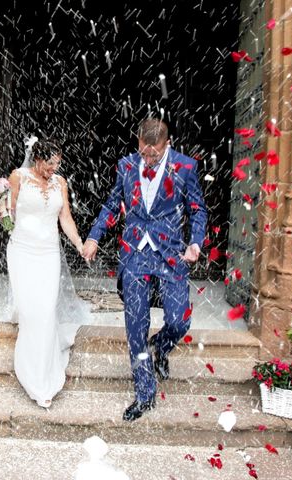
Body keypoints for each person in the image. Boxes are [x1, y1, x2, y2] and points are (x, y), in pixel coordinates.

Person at [82, 119, 207, 421]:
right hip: (135, 254)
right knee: (135, 326)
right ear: (138, 142)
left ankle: (161, 347)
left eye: (155, 155)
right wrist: (94, 236)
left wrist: (196, 243)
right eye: (145, 153)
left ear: (168, 144)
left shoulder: (186, 167)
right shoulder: (126, 165)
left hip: (171, 252)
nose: (148, 159)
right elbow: (113, 204)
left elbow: (198, 209)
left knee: (179, 321)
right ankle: (144, 394)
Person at [4, 138, 86, 409]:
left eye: (57, 164)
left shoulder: (59, 183)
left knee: (46, 309)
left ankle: (45, 377)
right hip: (22, 252)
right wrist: (1, 212)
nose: (54, 169)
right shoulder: (18, 177)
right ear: (37, 159)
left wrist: (79, 244)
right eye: (50, 164)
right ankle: (31, 376)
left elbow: (65, 218)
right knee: (30, 312)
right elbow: (9, 214)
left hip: (49, 254)